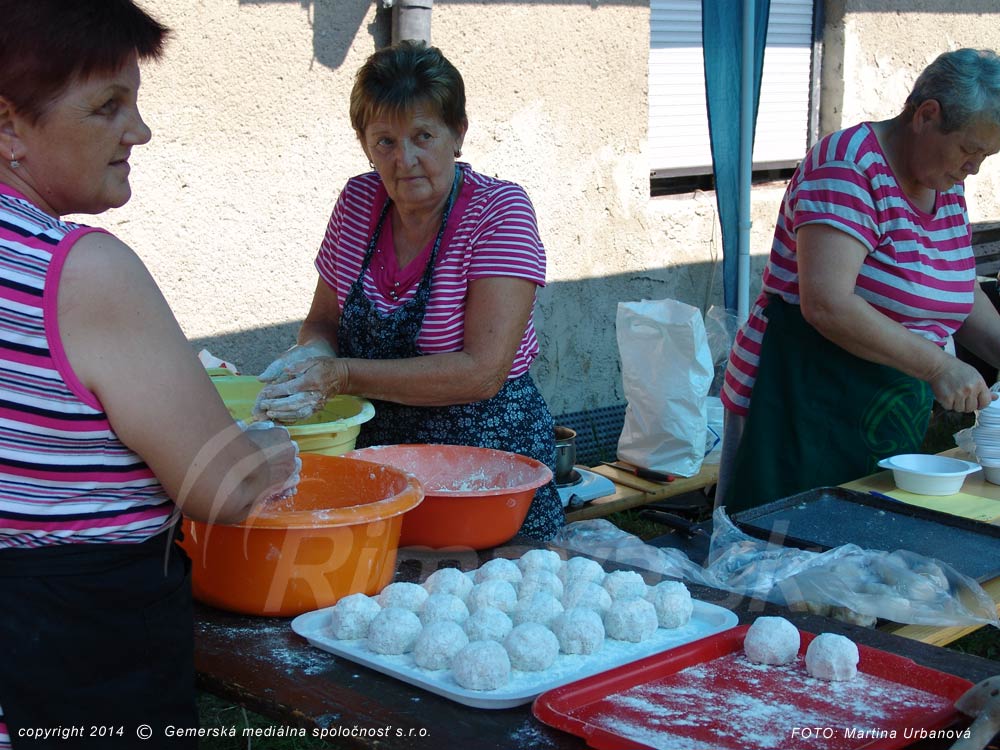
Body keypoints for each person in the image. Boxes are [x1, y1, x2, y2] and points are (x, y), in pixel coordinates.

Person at [0, 2, 300, 746]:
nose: (139, 131)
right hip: (78, 667)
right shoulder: (82, 272)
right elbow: (221, 487)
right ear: (8, 126)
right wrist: (271, 449)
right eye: (109, 106)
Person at [255, 40, 563, 541]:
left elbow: (482, 372)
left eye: (423, 136)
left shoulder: (499, 211)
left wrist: (341, 375)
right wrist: (311, 357)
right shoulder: (358, 201)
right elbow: (323, 322)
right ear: (364, 144)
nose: (405, 159)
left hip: (479, 465)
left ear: (457, 133)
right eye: (385, 142)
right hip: (378, 461)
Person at [717, 48, 1000, 514]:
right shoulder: (848, 165)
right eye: (970, 149)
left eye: (986, 156)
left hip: (883, 401)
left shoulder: (944, 182)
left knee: (864, 543)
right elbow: (827, 303)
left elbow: (954, 285)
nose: (975, 167)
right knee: (780, 544)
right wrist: (939, 367)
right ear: (926, 115)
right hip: (800, 402)